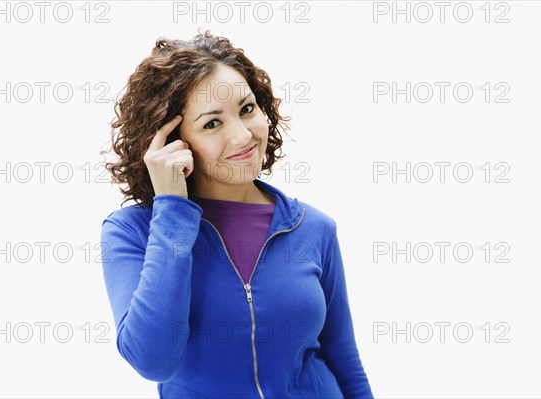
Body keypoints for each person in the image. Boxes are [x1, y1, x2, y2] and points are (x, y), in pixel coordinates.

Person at [99, 28, 374, 399]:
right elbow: (153, 361)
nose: (243, 136)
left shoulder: (314, 229)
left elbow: (344, 359)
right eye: (212, 123)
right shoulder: (133, 232)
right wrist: (172, 213)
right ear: (170, 142)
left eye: (247, 109)